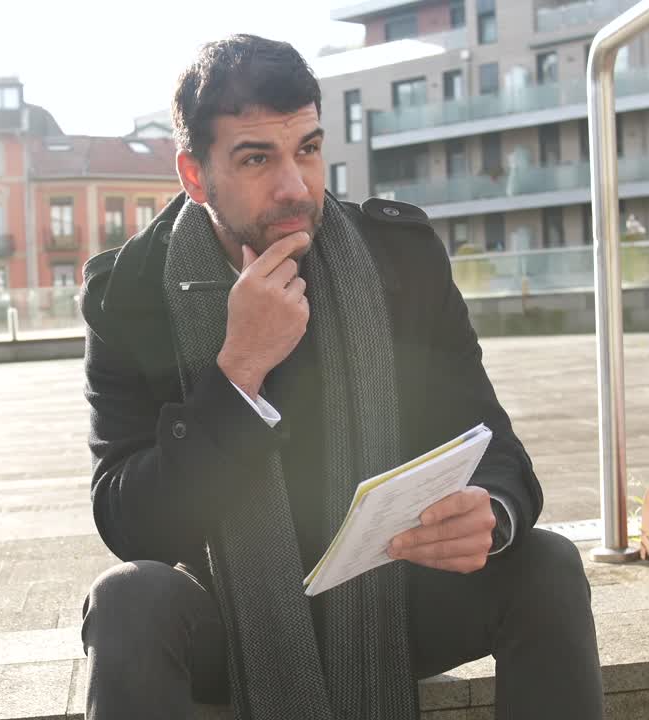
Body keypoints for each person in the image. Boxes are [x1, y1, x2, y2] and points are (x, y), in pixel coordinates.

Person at [78, 34, 603, 720]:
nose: (295, 185)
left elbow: (492, 445)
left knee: (547, 566)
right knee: (127, 600)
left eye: (308, 148)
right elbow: (129, 519)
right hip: (229, 619)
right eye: (256, 158)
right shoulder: (133, 292)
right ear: (195, 174)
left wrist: (491, 514)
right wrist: (237, 374)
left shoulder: (398, 260)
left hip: (387, 602)